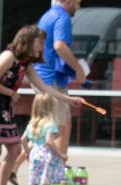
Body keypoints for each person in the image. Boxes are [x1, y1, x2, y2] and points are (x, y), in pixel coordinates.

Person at [0, 24, 83, 185]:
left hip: (5, 108)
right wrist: (11, 93)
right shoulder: (9, 57)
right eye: (39, 42)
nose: (41, 46)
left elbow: (44, 88)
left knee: (14, 149)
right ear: (28, 40)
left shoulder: (24, 64)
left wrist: (69, 99)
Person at [35, 0, 85, 156]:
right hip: (50, 78)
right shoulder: (62, 17)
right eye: (77, 3)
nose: (79, 6)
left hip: (46, 75)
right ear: (69, 1)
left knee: (61, 123)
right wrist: (79, 69)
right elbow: (59, 46)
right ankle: (14, 163)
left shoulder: (47, 15)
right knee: (54, 127)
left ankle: (58, 168)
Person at [21, 93, 67, 185]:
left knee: (33, 181)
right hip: (46, 155)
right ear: (52, 108)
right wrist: (61, 153)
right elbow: (49, 141)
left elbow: (23, 139)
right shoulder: (50, 124)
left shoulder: (31, 124)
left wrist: (27, 152)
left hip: (34, 153)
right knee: (45, 182)